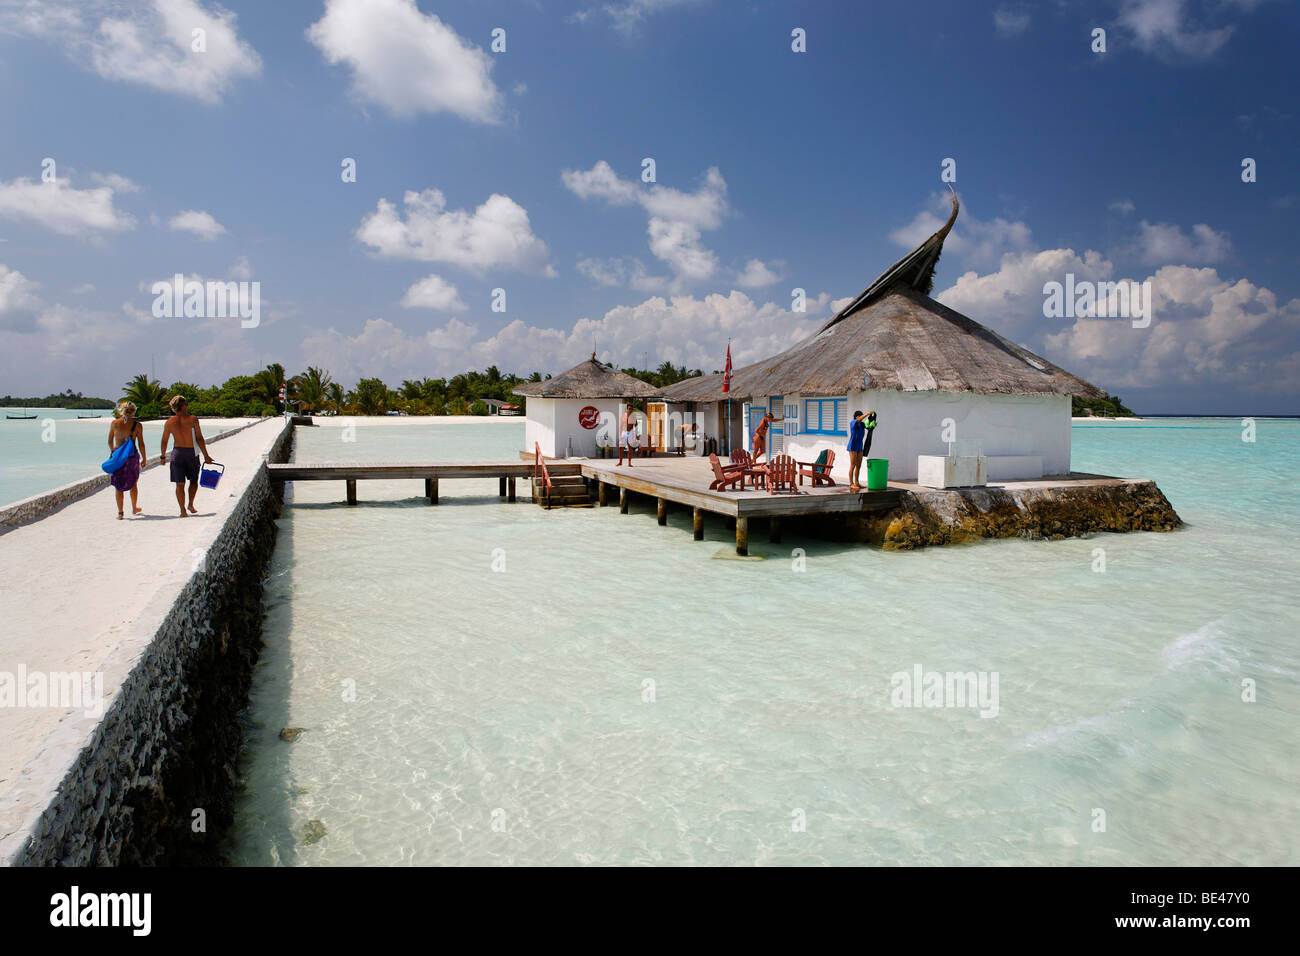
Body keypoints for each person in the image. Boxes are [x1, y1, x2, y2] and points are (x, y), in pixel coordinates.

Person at [160, 395, 214, 517]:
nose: (187, 406)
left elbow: (164, 440)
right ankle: (190, 504)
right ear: (183, 406)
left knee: (179, 484)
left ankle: (183, 510)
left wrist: (163, 456)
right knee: (193, 481)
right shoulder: (193, 419)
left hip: (177, 453)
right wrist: (206, 455)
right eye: (186, 404)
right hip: (191, 454)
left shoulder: (169, 422)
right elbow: (199, 438)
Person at [108, 401, 146, 519]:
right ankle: (134, 508)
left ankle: (120, 513)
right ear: (133, 411)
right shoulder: (137, 425)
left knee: (118, 485)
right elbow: (141, 444)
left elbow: (110, 441)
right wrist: (144, 458)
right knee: (133, 482)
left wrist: (114, 452)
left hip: (118, 457)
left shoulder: (114, 423)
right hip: (131, 457)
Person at [846, 409, 878, 491]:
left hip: (860, 447)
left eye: (861, 415)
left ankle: (857, 482)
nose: (861, 417)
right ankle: (851, 483)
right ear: (856, 417)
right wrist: (867, 413)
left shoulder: (862, 424)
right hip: (852, 446)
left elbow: (869, 427)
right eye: (859, 416)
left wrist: (873, 424)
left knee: (858, 466)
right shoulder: (853, 422)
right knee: (852, 465)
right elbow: (859, 419)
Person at [618, 401, 638, 467]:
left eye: (631, 409)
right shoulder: (623, 416)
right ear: (626, 409)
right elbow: (620, 426)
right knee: (621, 447)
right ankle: (620, 462)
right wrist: (620, 435)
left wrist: (635, 436)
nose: (630, 410)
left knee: (630, 447)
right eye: (629, 408)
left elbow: (636, 426)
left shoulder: (633, 417)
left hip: (631, 432)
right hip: (624, 432)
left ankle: (629, 462)